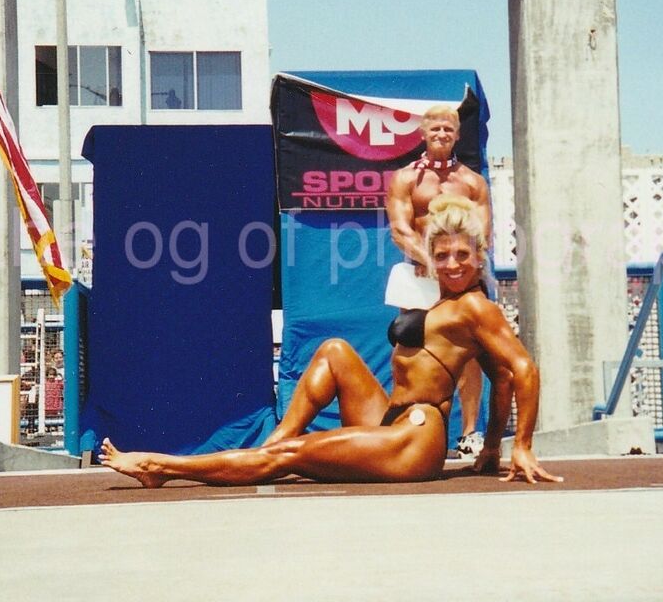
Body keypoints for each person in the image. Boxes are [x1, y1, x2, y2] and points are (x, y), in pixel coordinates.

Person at [100, 195, 560, 487]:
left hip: (418, 436)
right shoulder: (434, 295)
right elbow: (499, 379)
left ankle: (160, 466)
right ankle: (275, 439)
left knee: (291, 459)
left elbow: (519, 371)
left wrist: (517, 444)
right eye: (443, 255)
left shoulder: (477, 308)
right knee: (335, 350)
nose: (453, 264)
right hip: (392, 418)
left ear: (480, 258)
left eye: (463, 255)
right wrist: (490, 449)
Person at [384, 105, 498, 460]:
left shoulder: (472, 182)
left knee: (470, 355)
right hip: (421, 277)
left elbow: (482, 234)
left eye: (449, 129)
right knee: (411, 349)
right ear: (423, 133)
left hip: (462, 279)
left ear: (458, 135)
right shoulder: (405, 179)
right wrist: (432, 264)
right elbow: (401, 230)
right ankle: (413, 426)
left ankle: (469, 433)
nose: (442, 134)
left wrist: (456, 269)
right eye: (435, 129)